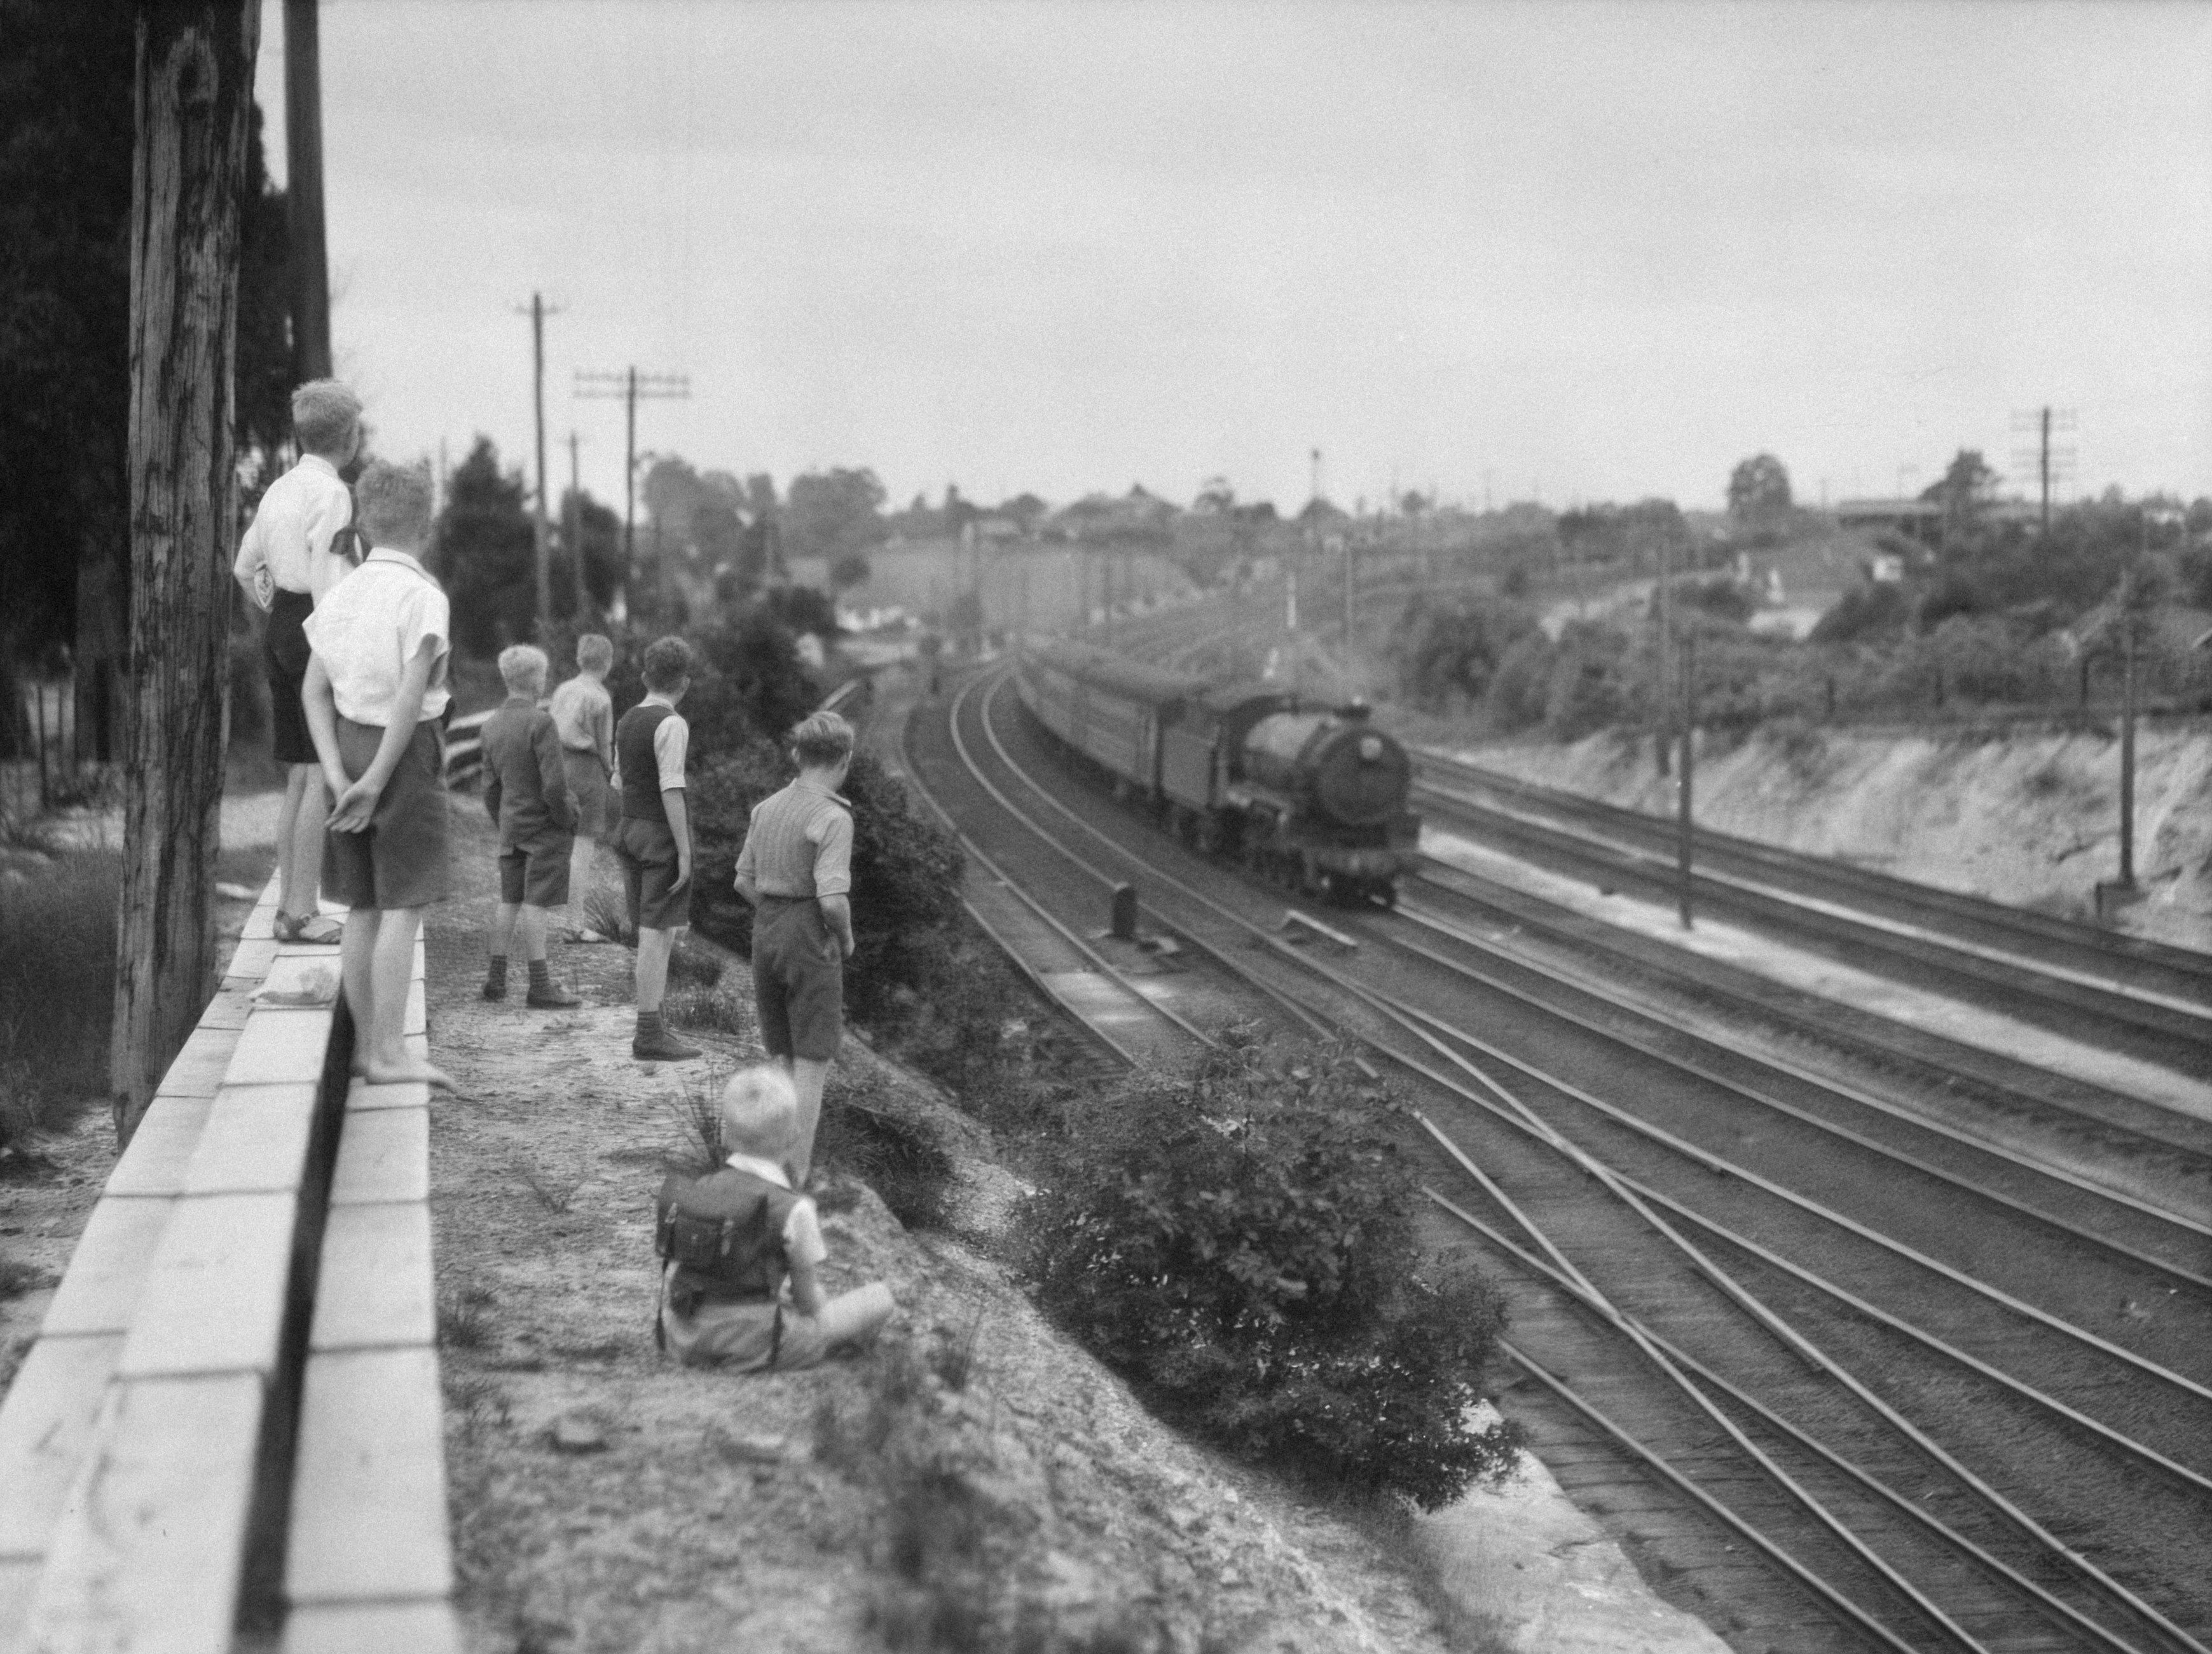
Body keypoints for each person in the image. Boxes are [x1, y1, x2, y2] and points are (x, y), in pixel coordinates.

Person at [299, 460, 457, 1090]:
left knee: (362, 905)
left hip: (347, 747)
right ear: (429, 523)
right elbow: (410, 696)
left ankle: (368, 1047)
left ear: (363, 522)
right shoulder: (423, 596)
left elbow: (313, 692)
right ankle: (391, 1052)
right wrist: (378, 781)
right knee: (404, 904)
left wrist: (340, 774)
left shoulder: (342, 593)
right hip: (404, 756)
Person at [232, 378, 363, 946]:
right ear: (351, 436)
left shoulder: (279, 489)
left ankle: (288, 907)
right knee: (316, 773)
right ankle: (304, 911)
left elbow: (244, 566)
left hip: (282, 620)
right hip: (317, 626)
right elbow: (331, 581)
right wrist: (339, 649)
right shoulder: (333, 495)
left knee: (297, 774)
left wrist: (276, 614)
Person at [656, 1065, 895, 1371]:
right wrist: (818, 1308)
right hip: (753, 1345)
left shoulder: (704, 1188)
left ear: (725, 1135)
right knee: (879, 1298)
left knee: (758, 1298)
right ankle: (841, 1355)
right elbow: (808, 1301)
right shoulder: (794, 1208)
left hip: (683, 1337)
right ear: (794, 1136)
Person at [732, 709, 856, 1184]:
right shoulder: (832, 817)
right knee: (813, 1062)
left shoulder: (766, 808)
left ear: (796, 755)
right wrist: (842, 939)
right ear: (843, 758)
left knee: (781, 1055)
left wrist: (775, 913)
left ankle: (765, 1165)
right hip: (809, 932)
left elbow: (742, 880)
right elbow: (832, 899)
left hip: (766, 929)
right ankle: (794, 1178)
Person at [612, 636, 700, 1062]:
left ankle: (655, 1024)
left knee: (652, 931)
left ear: (646, 676)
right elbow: (671, 789)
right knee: (655, 934)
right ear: (683, 682)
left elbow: (617, 781)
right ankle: (649, 1033)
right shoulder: (672, 723)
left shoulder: (627, 719)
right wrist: (684, 851)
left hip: (627, 826)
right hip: (658, 834)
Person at [479, 644, 580, 1009]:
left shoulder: (490, 725)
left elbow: (489, 789)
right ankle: (540, 987)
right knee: (536, 905)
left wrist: (504, 821)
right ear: (538, 680)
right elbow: (554, 786)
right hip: (543, 830)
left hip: (512, 829)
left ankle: (495, 980)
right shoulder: (541, 722)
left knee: (509, 902)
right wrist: (566, 818)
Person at [547, 633, 616, 933]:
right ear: (608, 663)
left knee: (554, 843)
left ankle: (540, 910)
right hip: (587, 770)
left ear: (579, 658)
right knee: (582, 852)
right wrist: (611, 772)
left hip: (558, 765)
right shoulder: (601, 699)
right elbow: (604, 746)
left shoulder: (563, 690)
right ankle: (574, 924)